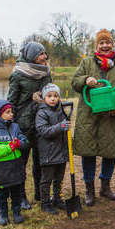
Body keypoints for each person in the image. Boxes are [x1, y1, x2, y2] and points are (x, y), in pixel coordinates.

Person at [71, 29, 115, 206]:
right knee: (88, 152)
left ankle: (105, 187)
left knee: (110, 152)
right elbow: (74, 82)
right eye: (102, 43)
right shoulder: (86, 63)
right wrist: (85, 80)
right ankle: (90, 190)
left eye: (108, 42)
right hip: (89, 115)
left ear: (112, 44)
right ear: (97, 45)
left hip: (111, 116)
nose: (105, 45)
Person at [7, 42, 52, 210]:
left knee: (40, 160)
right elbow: (11, 101)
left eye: (45, 54)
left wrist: (46, 97)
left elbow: (50, 92)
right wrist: (10, 125)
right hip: (23, 124)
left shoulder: (46, 71)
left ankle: (40, 193)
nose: (45, 57)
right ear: (32, 56)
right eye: (41, 54)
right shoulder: (18, 75)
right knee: (22, 162)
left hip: (42, 123)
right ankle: (21, 197)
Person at [35, 84, 69, 214]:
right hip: (48, 153)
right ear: (44, 98)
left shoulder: (62, 111)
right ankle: (45, 203)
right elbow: (43, 131)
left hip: (61, 152)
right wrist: (60, 126)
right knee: (46, 179)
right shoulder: (41, 113)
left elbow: (65, 129)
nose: (53, 99)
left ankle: (57, 199)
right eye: (49, 96)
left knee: (59, 179)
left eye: (55, 96)